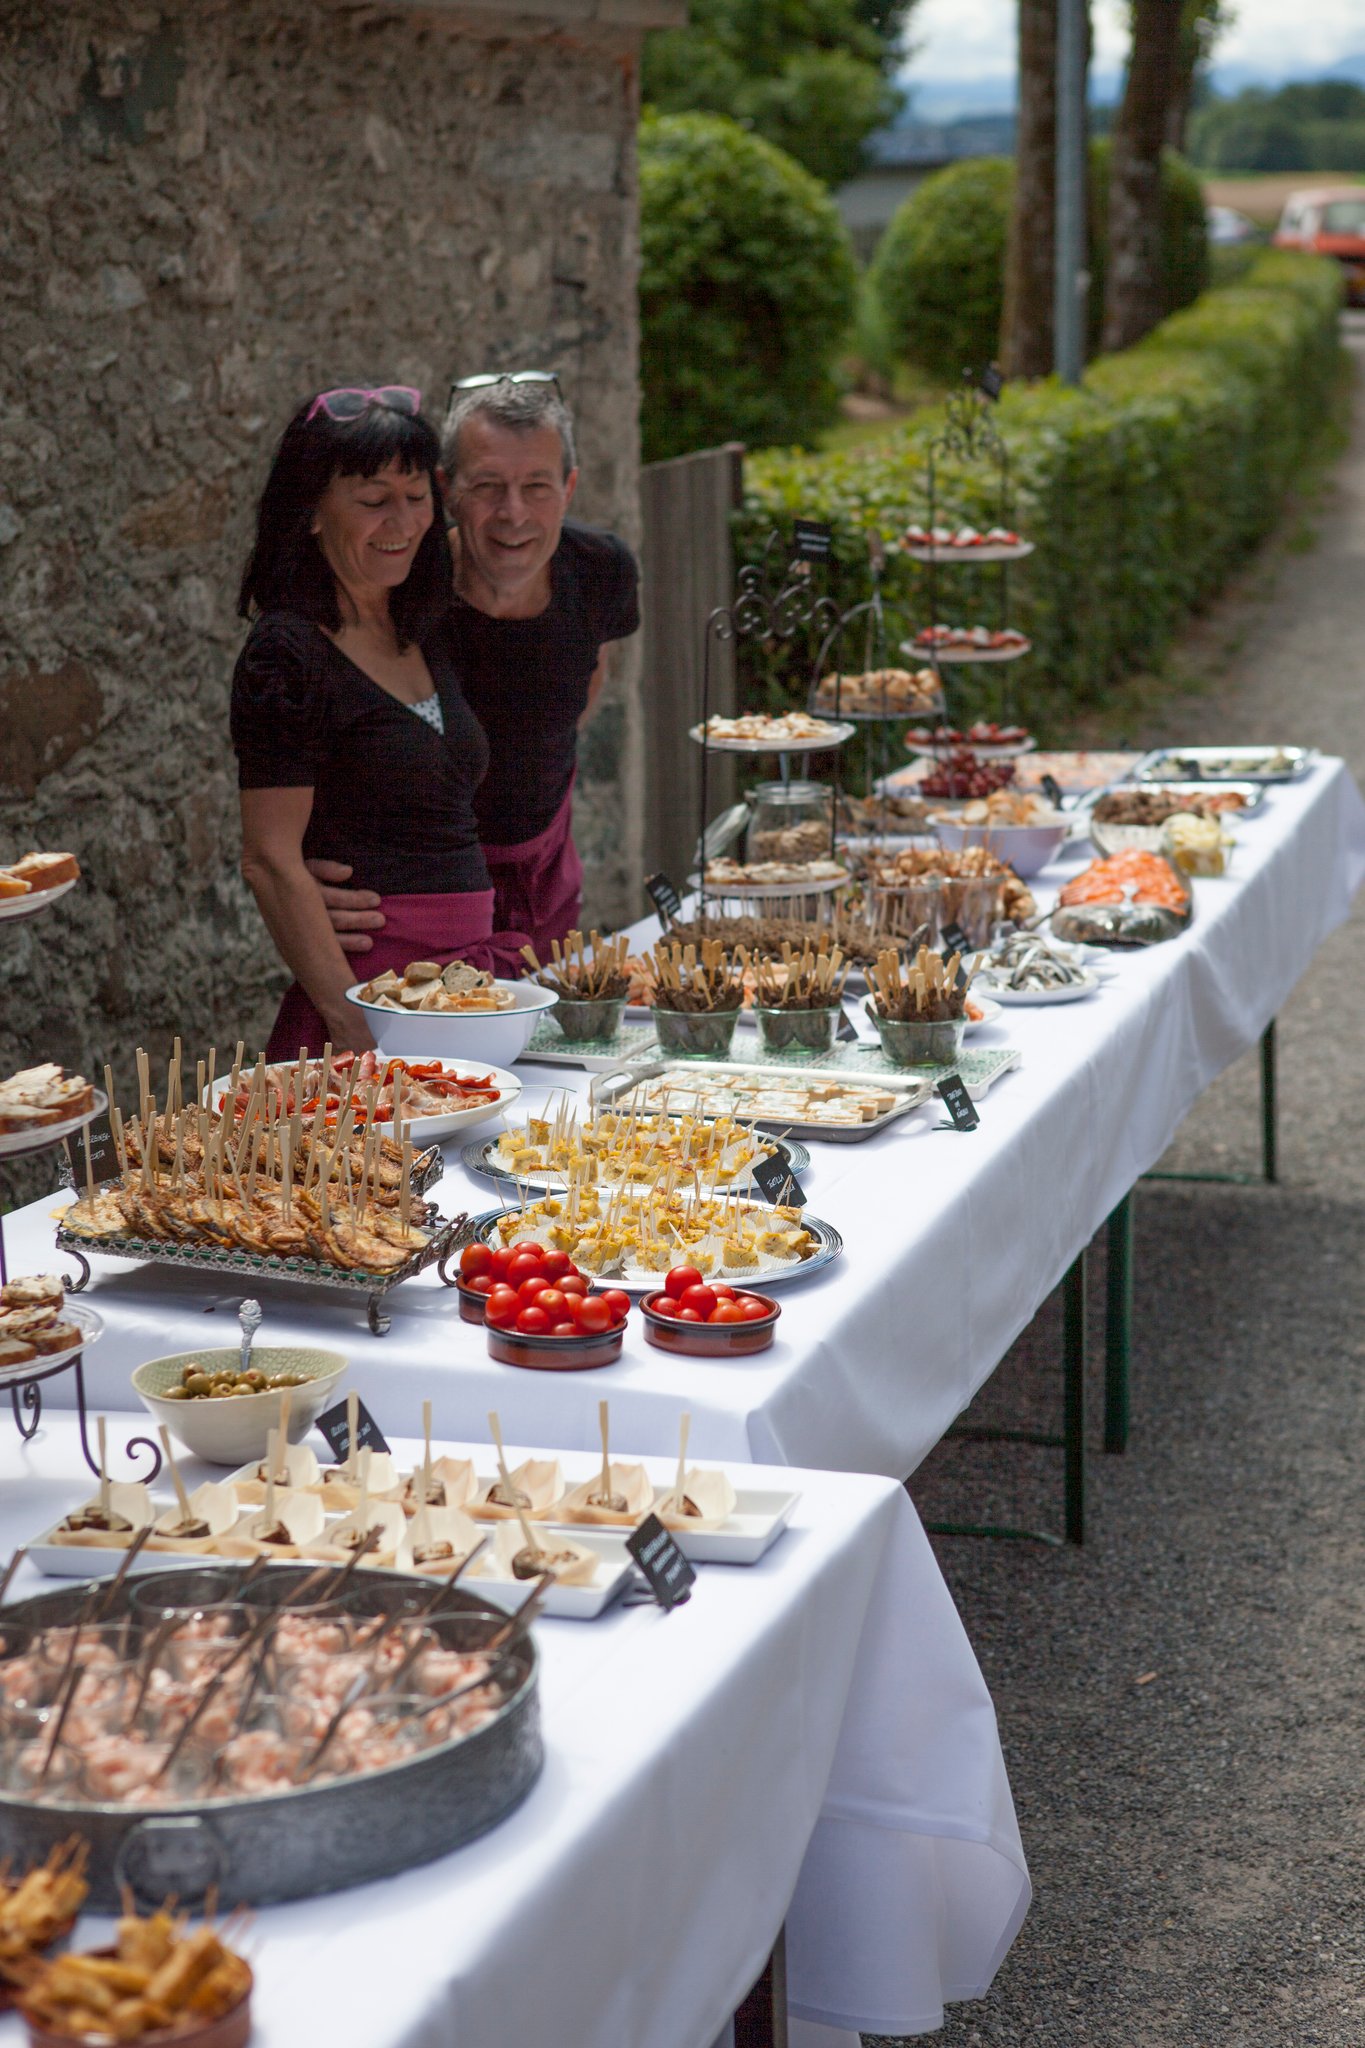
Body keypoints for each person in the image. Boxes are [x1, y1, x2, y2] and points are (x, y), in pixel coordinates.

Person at [230, 384, 526, 1058]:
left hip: (465, 988)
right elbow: (269, 858)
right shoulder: (286, 653)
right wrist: (351, 1023)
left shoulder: (425, 624)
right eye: (373, 501)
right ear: (310, 511)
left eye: (417, 496)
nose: (403, 522)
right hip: (373, 998)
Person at [309, 375, 640, 959]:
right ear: (447, 490)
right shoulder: (401, 588)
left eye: (537, 486)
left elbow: (584, 687)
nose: (514, 513)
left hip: (546, 880)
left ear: (569, 488)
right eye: (487, 486)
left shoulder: (599, 570)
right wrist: (305, 868)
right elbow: (320, 729)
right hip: (415, 899)